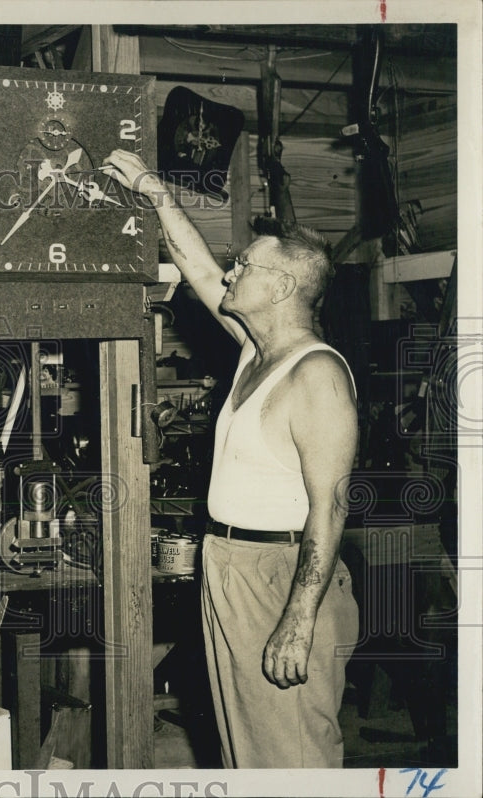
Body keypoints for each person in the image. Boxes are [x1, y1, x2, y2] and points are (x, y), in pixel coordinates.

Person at [102, 149, 360, 769]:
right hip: (229, 564)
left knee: (292, 754)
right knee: (245, 749)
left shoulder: (317, 374)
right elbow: (199, 269)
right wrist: (156, 193)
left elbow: (330, 507)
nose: (232, 271)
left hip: (282, 574)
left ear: (282, 288)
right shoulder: (256, 352)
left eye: (246, 265)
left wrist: (299, 618)